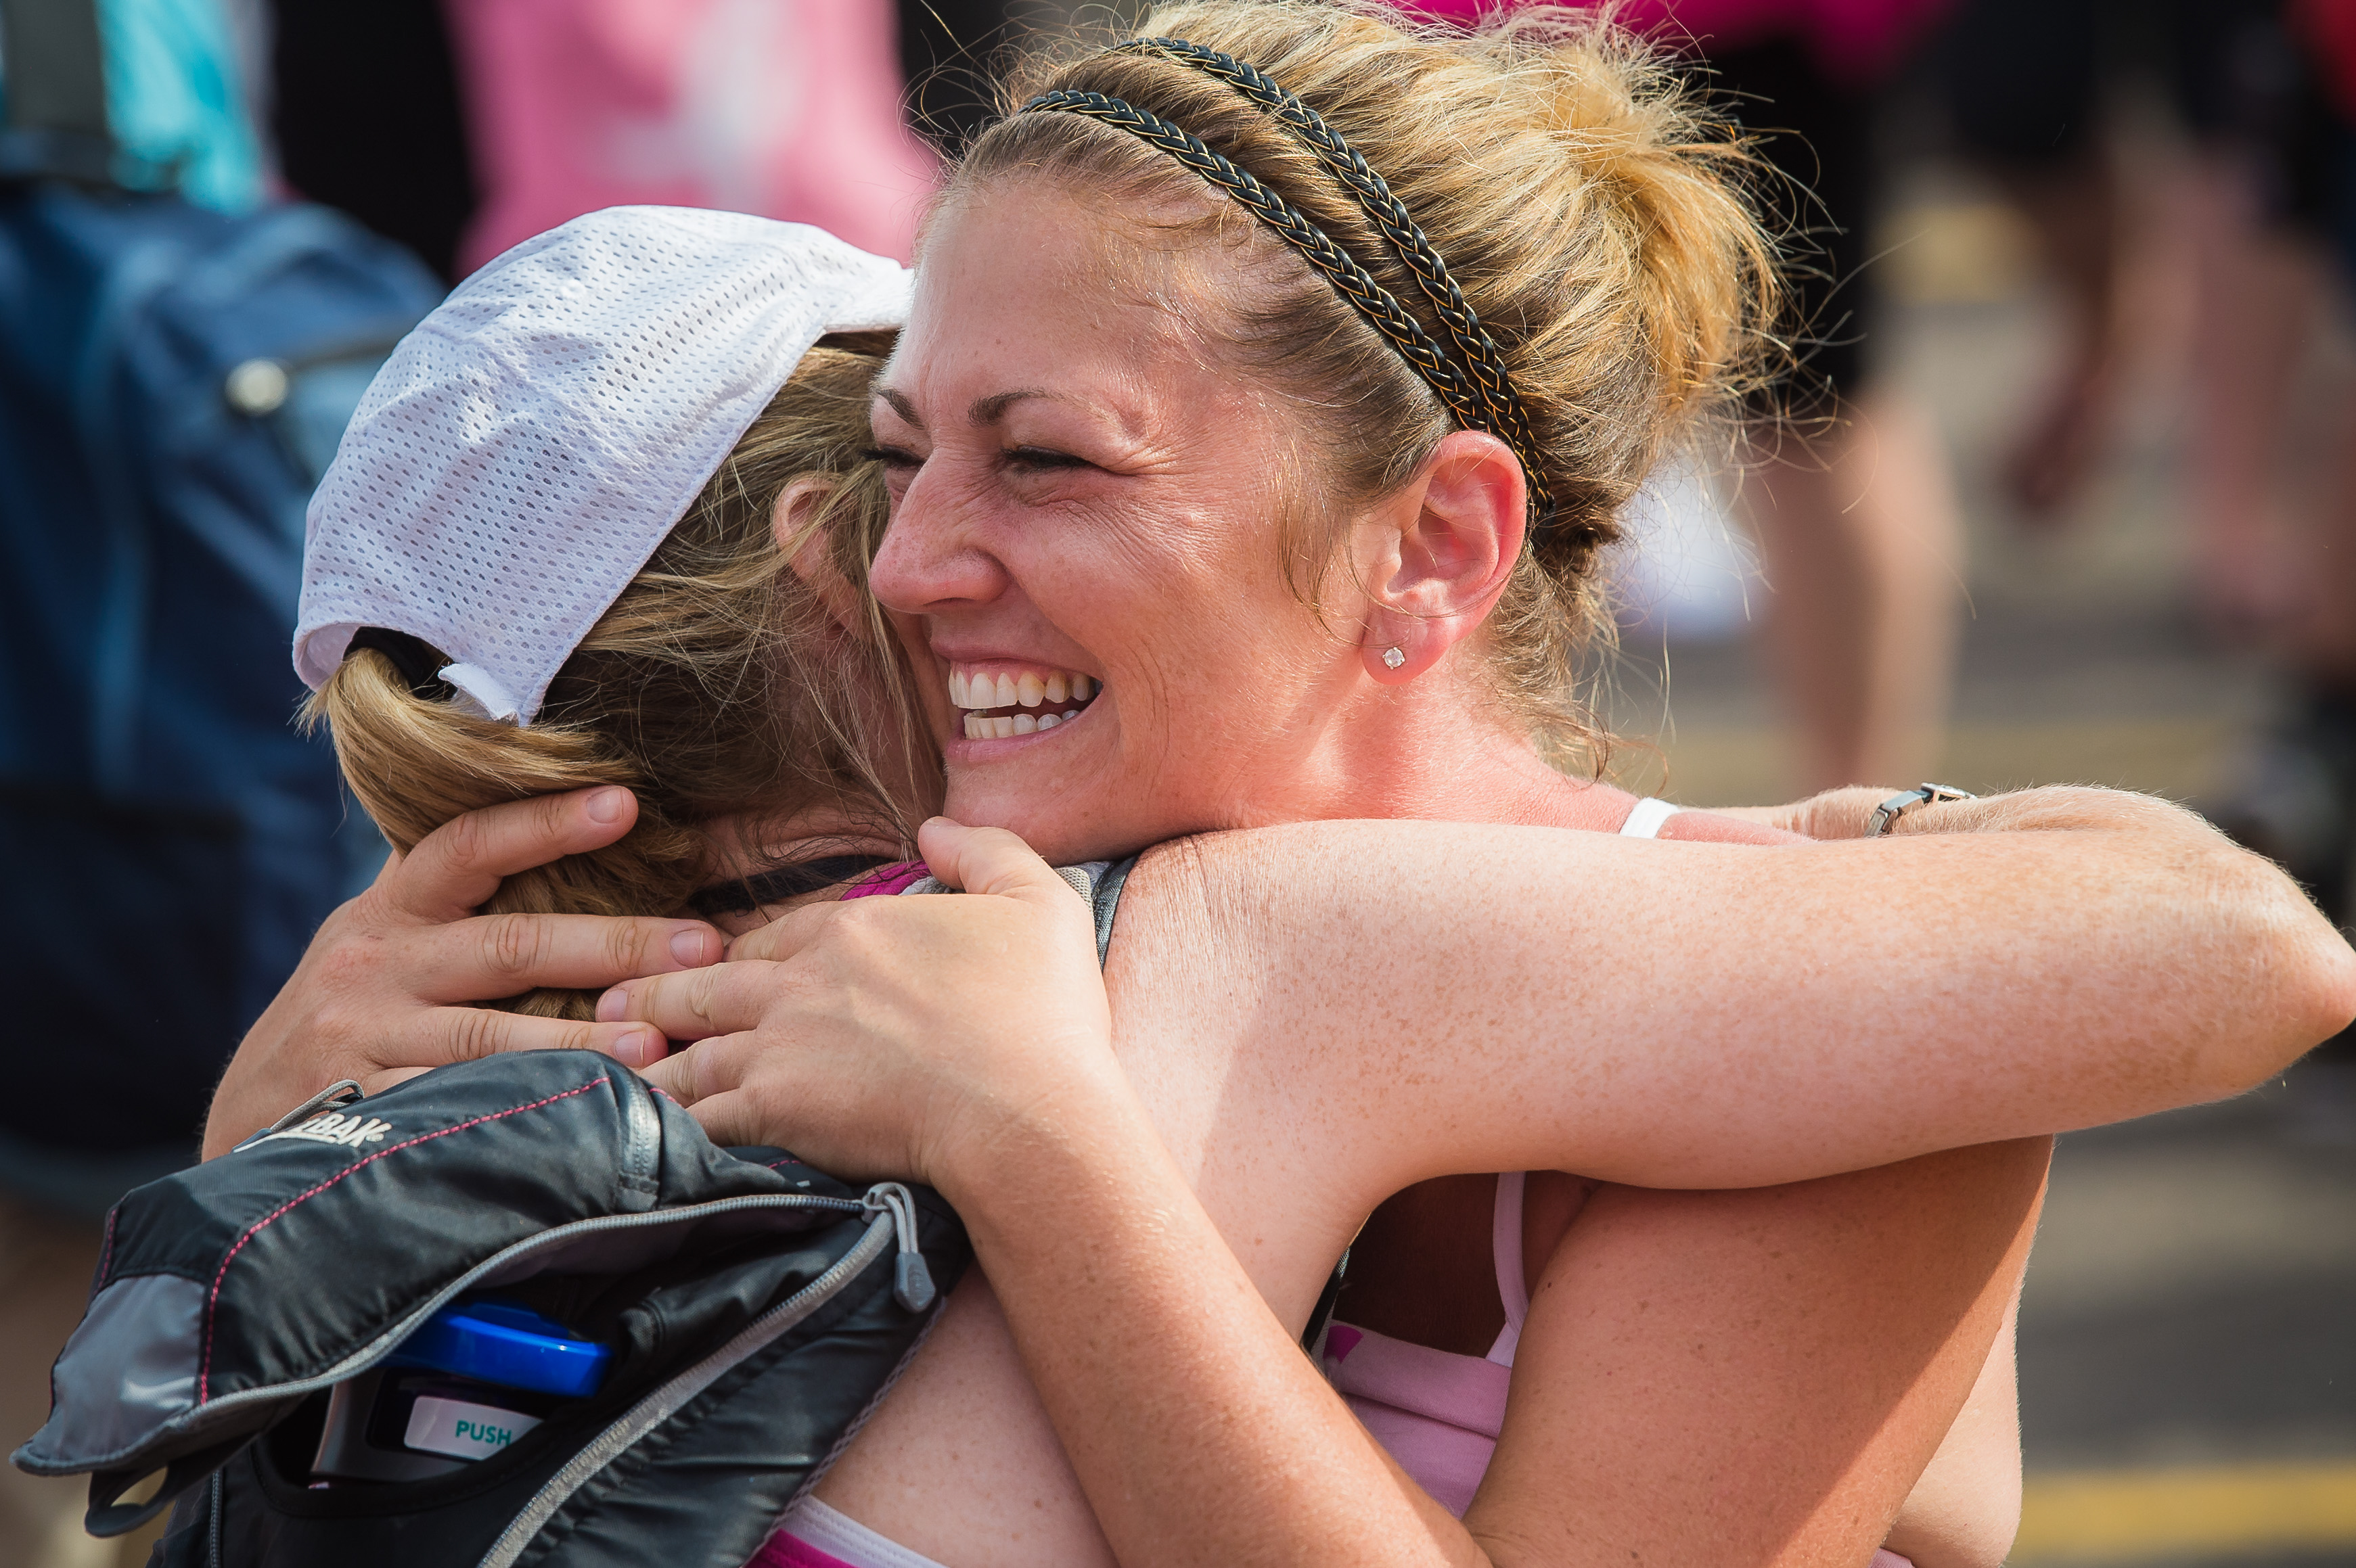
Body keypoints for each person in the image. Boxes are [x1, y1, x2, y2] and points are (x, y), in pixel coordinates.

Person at [230, 162, 2343, 1568]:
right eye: (926, 458)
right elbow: (2240, 947)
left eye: (1026, 453)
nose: (948, 539)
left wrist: (252, 1145)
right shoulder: (1209, 955)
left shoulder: (426, 1107)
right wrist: (1861, 847)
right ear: (836, 566)